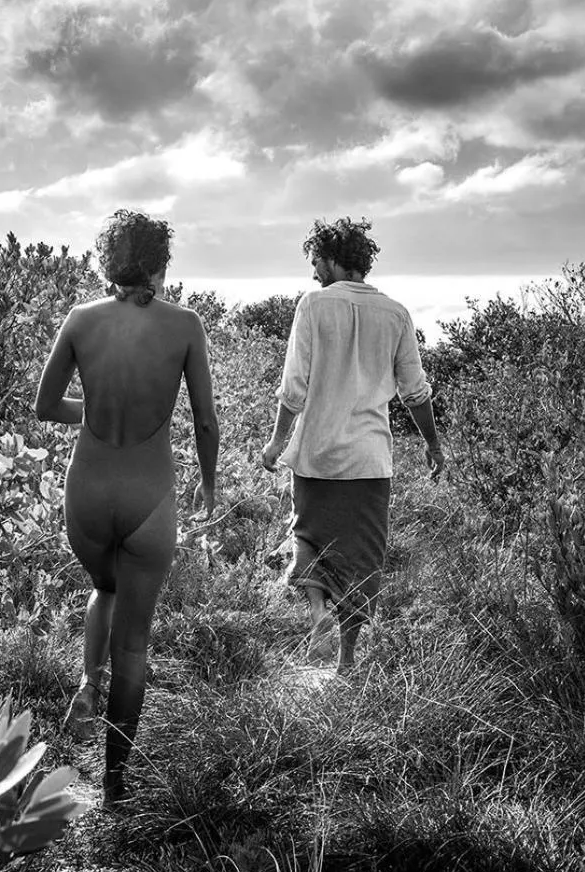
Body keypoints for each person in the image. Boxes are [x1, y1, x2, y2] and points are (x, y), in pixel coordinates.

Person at [35, 209, 220, 806]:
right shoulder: (185, 324)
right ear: (162, 263)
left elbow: (43, 405)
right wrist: (210, 485)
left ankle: (88, 682)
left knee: (105, 587)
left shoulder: (81, 319)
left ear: (109, 260)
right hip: (148, 496)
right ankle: (114, 785)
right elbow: (205, 420)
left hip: (85, 493)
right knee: (134, 645)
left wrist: (90, 413)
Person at [260, 217, 444, 672]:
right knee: (361, 558)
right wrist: (433, 445)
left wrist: (276, 442)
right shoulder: (396, 313)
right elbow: (415, 392)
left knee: (308, 535)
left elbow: (294, 388)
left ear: (332, 258)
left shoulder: (314, 306)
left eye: (316, 262)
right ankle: (345, 660)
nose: (313, 273)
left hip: (317, 453)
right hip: (369, 460)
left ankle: (318, 613)